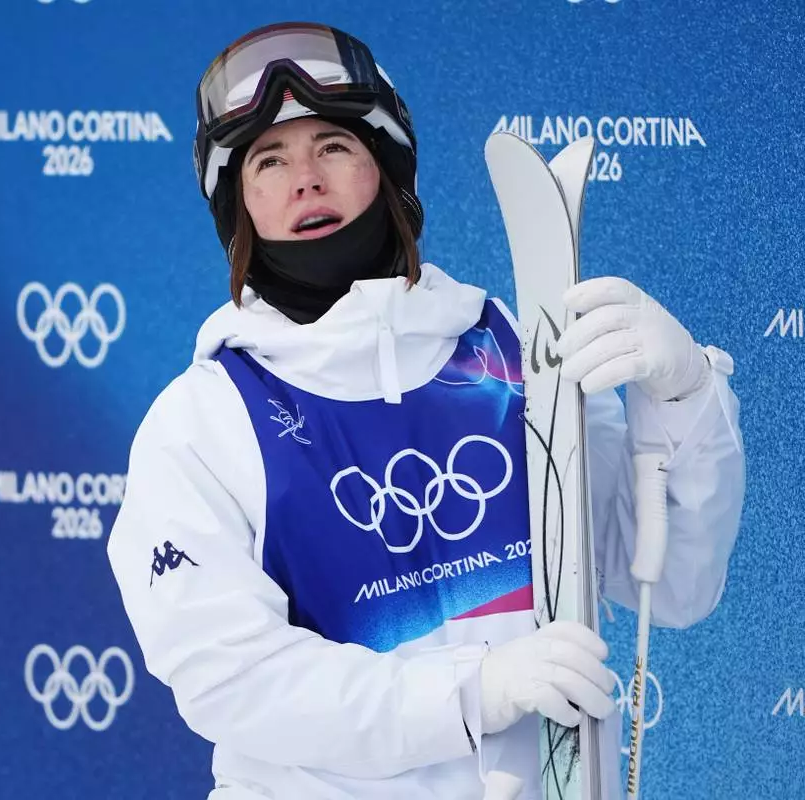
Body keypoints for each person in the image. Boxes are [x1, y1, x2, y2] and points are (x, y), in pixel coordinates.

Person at [107, 21, 744, 800]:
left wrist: (682, 402)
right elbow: (233, 679)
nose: (306, 179)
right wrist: (474, 692)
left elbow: (675, 583)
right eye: (269, 162)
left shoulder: (513, 353)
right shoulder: (202, 424)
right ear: (239, 208)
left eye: (334, 148)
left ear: (389, 169)